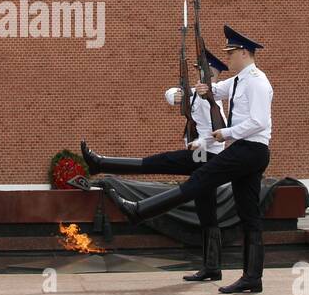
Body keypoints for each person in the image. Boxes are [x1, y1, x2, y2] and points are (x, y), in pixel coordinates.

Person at [105, 25, 273, 294]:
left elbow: (259, 121)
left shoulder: (257, 82)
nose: (227, 58)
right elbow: (216, 91)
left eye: (231, 53)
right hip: (245, 150)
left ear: (244, 51)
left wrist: (224, 133)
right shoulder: (240, 80)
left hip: (249, 149)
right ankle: (252, 277)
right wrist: (205, 86)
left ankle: (140, 210)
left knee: (200, 180)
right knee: (248, 213)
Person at [82, 49, 229, 281]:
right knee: (206, 212)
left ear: (214, 75)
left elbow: (219, 130)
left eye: (205, 72)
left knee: (157, 162)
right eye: (199, 71)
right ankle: (213, 267)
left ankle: (100, 163)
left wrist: (199, 141)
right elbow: (173, 94)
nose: (200, 75)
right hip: (201, 156)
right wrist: (174, 94)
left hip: (205, 156)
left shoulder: (213, 102)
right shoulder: (196, 94)